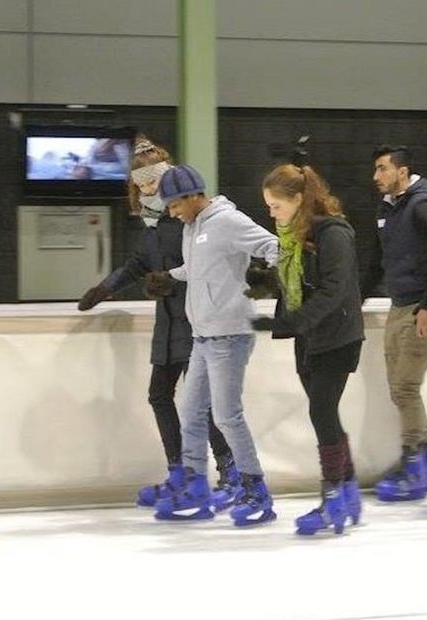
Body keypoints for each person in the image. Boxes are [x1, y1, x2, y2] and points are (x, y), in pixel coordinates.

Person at [76, 137, 242, 512]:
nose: (149, 189)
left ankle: (231, 474)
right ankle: (180, 472)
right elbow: (138, 263)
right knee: (159, 396)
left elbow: (209, 263)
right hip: (168, 326)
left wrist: (172, 279)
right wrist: (105, 288)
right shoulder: (151, 224)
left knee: (206, 404)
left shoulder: (189, 218)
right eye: (142, 184)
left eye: (154, 181)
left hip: (198, 321)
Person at [149, 164, 280, 527]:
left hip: (230, 334)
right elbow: (198, 269)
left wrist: (267, 276)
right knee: (191, 414)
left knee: (226, 415)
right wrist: (169, 278)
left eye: (175, 205)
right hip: (203, 335)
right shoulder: (194, 228)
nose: (173, 213)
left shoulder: (226, 221)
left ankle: (256, 491)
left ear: (193, 196)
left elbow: (275, 246)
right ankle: (196, 489)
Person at [252, 163, 364, 536]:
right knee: (326, 415)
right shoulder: (293, 235)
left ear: (298, 199)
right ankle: (347, 491)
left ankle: (333, 497)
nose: (271, 213)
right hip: (309, 337)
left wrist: (290, 322)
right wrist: (266, 284)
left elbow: (334, 290)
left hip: (338, 336)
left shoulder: (334, 233)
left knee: (321, 412)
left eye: (275, 205)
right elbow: (297, 283)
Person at [361, 145, 427, 502]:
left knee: (405, 387)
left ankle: (415, 464)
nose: (376, 177)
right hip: (399, 307)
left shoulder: (422, 206)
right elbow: (377, 262)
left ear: (402, 171)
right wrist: (357, 300)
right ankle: (426, 464)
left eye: (382, 169)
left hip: (421, 308)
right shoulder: (387, 208)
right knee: (398, 387)